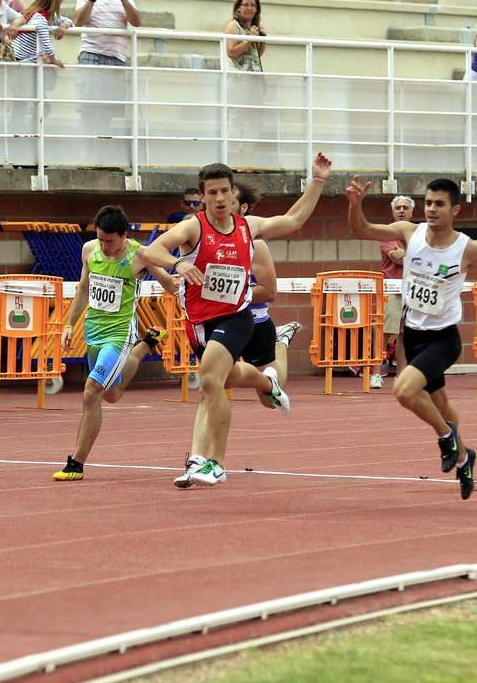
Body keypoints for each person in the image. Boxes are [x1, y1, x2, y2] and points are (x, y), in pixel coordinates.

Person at [136, 152, 332, 489]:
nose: (219, 198)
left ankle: (216, 463)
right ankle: (267, 384)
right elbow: (147, 252)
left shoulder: (248, 227)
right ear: (203, 197)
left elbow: (293, 220)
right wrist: (178, 264)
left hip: (235, 316)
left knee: (210, 381)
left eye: (224, 191)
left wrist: (317, 181)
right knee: (225, 377)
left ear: (232, 194)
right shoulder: (192, 228)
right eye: (211, 193)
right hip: (198, 322)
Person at [346, 177, 477, 501]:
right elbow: (362, 229)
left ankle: (445, 437)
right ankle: (465, 458)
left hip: (444, 339)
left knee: (404, 390)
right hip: (414, 333)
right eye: (428, 203)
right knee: (439, 402)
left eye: (439, 204)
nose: (432, 209)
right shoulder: (412, 233)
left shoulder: (468, 247)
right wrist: (355, 204)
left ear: (455, 209)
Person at [51, 205, 177, 481]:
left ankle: (76, 463)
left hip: (119, 336)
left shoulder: (139, 255)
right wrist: (69, 324)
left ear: (124, 235)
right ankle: (147, 344)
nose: (104, 246)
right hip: (93, 332)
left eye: (110, 241)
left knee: (92, 391)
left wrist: (182, 281)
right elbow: (84, 289)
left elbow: (168, 281)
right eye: (100, 239)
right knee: (112, 394)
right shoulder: (89, 250)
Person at [233, 181, 302, 406]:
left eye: (229, 198)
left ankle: (280, 342)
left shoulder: (255, 241)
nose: (220, 202)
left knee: (269, 400)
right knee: (214, 378)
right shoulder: (203, 234)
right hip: (223, 321)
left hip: (255, 322)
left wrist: (316, 183)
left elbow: (269, 292)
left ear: (243, 208)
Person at [370, 195, 415, 389]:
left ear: (412, 212)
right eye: (398, 208)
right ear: (393, 212)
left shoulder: (419, 233)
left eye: (406, 207)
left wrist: (407, 253)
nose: (402, 210)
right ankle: (375, 374)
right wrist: (414, 254)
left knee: (407, 333)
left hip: (413, 289)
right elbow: (397, 258)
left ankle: (402, 376)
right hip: (392, 288)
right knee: (386, 331)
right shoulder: (387, 234)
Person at [73, 0, 141, 66]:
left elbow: (137, 22)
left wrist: (123, 0)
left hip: (117, 56)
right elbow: (78, 22)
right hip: (91, 53)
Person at [12, 0, 73, 67]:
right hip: (23, 61)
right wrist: (53, 60)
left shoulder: (48, 15)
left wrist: (63, 26)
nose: (63, 0)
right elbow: (47, 45)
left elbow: (68, 20)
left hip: (28, 59)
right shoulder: (40, 18)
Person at [226, 0, 265, 72]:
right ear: (238, 8)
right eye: (246, 5)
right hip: (238, 78)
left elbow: (256, 55)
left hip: (254, 77)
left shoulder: (254, 27)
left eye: (253, 5)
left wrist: (263, 40)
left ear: (256, 9)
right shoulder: (233, 25)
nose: (249, 8)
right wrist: (249, 39)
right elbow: (231, 52)